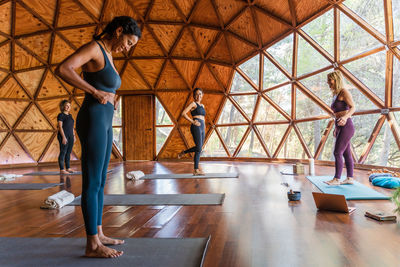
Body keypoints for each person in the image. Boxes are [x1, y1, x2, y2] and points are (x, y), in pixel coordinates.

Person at [55, 16, 141, 258]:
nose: (128, 48)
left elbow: (107, 87)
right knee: (93, 182)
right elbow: (63, 68)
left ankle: (99, 233)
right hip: (92, 119)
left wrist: (110, 98)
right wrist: (95, 91)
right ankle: (92, 243)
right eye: (128, 42)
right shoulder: (95, 48)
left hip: (104, 120)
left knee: (101, 181)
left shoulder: (109, 53)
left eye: (131, 45)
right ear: (119, 30)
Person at [324, 70, 356, 186]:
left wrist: (346, 118)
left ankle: (337, 179)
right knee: (346, 153)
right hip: (339, 126)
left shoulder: (344, 92)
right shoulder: (336, 94)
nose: (328, 82)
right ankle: (350, 178)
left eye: (330, 80)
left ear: (336, 79)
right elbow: (336, 113)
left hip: (347, 126)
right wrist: (335, 128)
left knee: (337, 152)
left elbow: (353, 107)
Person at [178, 88, 206, 175]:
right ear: (194, 96)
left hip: (202, 127)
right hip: (196, 126)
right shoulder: (193, 104)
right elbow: (183, 113)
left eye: (200, 94)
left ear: (202, 95)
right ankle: (195, 168)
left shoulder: (203, 106)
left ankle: (195, 170)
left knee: (199, 149)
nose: (199, 96)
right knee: (198, 148)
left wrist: (204, 126)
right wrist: (192, 121)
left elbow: (203, 118)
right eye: (197, 94)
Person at [57, 100, 75, 174]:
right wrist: (64, 137)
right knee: (63, 152)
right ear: (63, 106)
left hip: (71, 136)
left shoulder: (70, 116)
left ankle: (68, 168)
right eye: (66, 105)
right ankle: (62, 169)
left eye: (69, 106)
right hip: (63, 136)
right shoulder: (61, 115)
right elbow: (60, 127)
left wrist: (74, 136)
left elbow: (72, 127)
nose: (68, 107)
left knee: (68, 152)